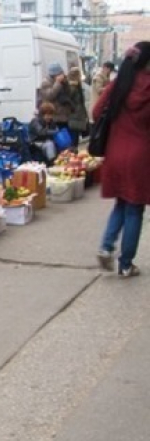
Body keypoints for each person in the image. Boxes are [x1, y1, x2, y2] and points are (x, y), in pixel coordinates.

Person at [94, 42, 150, 278]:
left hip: (115, 153)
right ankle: (126, 264)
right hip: (140, 157)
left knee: (121, 203)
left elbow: (97, 112)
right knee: (134, 209)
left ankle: (106, 247)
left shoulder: (119, 83)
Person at [37, 62, 73, 130]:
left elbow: (69, 93)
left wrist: (65, 82)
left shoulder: (63, 82)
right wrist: (57, 83)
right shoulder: (45, 82)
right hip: (54, 116)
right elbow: (49, 96)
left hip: (64, 115)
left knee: (66, 137)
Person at [28, 101, 59, 166]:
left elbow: (55, 129)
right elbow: (41, 132)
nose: (49, 117)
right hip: (35, 142)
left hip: (45, 141)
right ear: (42, 114)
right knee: (49, 144)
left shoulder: (51, 122)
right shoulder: (35, 121)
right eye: (47, 115)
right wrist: (54, 132)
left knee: (55, 144)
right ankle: (52, 163)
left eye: (51, 115)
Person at [66, 66, 88, 148]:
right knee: (74, 138)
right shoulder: (73, 86)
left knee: (75, 138)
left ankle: (73, 151)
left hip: (76, 115)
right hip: (75, 115)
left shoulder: (75, 86)